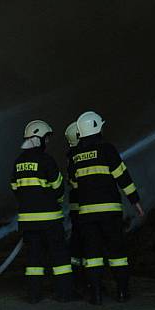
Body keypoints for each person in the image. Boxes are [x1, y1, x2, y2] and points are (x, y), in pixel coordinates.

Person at [69, 110, 144, 305]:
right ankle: (122, 292)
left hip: (87, 214)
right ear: (97, 128)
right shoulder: (108, 149)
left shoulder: (75, 156)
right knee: (117, 253)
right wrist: (135, 201)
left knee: (92, 255)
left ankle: (96, 295)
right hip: (110, 212)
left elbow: (74, 185)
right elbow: (123, 177)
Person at [11, 120, 74, 303]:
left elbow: (15, 188)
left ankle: (33, 295)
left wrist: (29, 202)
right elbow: (58, 188)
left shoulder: (18, 162)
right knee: (60, 258)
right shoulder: (46, 160)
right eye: (47, 138)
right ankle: (65, 294)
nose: (48, 141)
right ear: (40, 138)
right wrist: (56, 201)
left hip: (27, 221)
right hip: (50, 220)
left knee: (33, 260)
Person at [64, 121, 86, 294]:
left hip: (76, 208)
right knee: (88, 244)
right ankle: (85, 281)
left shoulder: (72, 155)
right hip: (85, 208)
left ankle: (78, 279)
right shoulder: (79, 155)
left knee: (77, 243)